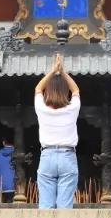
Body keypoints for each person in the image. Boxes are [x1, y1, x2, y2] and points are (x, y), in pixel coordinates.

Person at [34, 54, 81, 209]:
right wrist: (63, 72)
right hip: (67, 156)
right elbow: (76, 90)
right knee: (65, 206)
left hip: (47, 156)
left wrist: (53, 71)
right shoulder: (72, 109)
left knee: (46, 206)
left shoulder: (42, 109)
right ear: (65, 91)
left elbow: (38, 88)